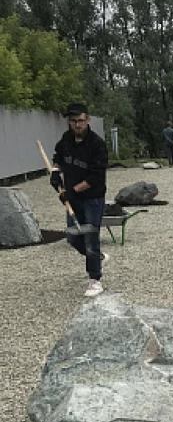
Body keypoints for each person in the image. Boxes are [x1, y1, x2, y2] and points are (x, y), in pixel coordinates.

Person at [51, 103, 109, 298]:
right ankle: (99, 259)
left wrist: (73, 191)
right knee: (73, 238)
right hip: (73, 199)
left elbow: (96, 177)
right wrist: (55, 174)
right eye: (73, 121)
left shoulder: (97, 144)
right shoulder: (66, 140)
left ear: (88, 120)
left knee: (90, 239)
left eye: (80, 120)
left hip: (92, 199)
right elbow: (58, 157)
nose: (77, 124)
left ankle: (95, 280)